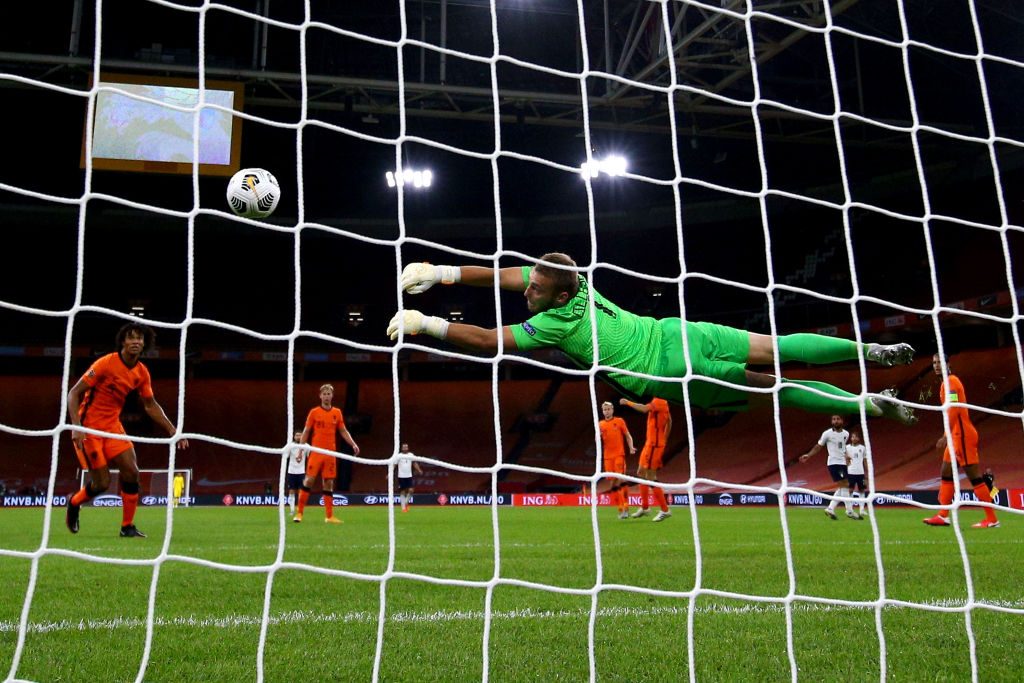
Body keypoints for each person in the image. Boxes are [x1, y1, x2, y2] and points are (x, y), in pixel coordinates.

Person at [387, 254, 919, 423]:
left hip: (667, 372)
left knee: (772, 386)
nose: (526, 292)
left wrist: (426, 325)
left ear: (552, 295)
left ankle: (869, 404)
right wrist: (444, 274)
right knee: (775, 345)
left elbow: (485, 342)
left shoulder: (554, 323)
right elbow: (506, 275)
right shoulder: (574, 280)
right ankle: (868, 352)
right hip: (679, 330)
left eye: (535, 290)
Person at [65, 323, 189, 537]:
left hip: (113, 426)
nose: (136, 342)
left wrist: (173, 430)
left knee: (132, 472)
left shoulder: (141, 372)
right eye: (131, 338)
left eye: (140, 339)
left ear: (144, 344)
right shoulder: (105, 363)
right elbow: (73, 393)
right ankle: (74, 503)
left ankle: (127, 527)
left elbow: (150, 405)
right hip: (89, 428)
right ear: (123, 341)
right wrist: (76, 427)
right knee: (102, 483)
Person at [923, 354, 999, 528]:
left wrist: (945, 434)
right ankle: (943, 515)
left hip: (962, 436)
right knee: (946, 471)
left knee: (974, 478)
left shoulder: (952, 382)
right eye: (934, 363)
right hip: (955, 436)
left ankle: (992, 519)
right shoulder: (945, 383)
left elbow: (955, 410)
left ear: (948, 364)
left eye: (939, 362)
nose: (936, 366)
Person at [293, 384, 360, 524]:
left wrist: (353, 444)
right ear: (320, 396)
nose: (326, 396)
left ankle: (329, 516)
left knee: (328, 483)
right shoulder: (314, 412)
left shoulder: (337, 412)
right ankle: (299, 513)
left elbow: (343, 431)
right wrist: (300, 450)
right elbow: (306, 431)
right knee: (308, 481)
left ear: (332, 395)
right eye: (324, 394)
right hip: (316, 452)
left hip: (330, 453)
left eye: (329, 393)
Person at [619, 397, 672, 522]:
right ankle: (645, 507)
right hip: (651, 443)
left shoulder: (658, 401)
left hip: (654, 445)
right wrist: (665, 437)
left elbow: (643, 409)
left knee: (651, 476)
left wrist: (628, 402)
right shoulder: (664, 402)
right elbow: (669, 420)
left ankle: (665, 510)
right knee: (640, 473)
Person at [798, 415, 853, 520]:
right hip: (834, 463)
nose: (835, 421)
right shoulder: (827, 433)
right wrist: (808, 455)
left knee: (843, 486)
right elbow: (818, 446)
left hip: (842, 463)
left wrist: (846, 455)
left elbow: (842, 447)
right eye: (834, 419)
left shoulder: (846, 434)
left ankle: (830, 508)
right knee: (845, 484)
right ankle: (849, 510)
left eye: (838, 419)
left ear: (842, 420)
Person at [598, 401, 636, 519]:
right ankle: (620, 508)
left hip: (619, 455)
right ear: (602, 411)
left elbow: (627, 435)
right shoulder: (600, 424)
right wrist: (597, 436)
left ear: (612, 410)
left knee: (620, 480)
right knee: (612, 482)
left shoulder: (619, 421)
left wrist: (631, 447)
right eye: (605, 410)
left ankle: (626, 508)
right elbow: (597, 441)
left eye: (608, 409)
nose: (607, 411)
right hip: (607, 457)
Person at [844, 429, 868, 519]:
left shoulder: (862, 448)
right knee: (850, 490)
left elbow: (865, 460)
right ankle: (850, 509)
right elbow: (845, 459)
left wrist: (867, 471)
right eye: (852, 437)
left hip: (860, 472)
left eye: (855, 437)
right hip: (851, 472)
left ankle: (861, 509)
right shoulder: (847, 447)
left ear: (858, 438)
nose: (853, 438)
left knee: (862, 490)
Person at [395, 443, 424, 512]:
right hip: (401, 476)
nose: (405, 448)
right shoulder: (398, 456)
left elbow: (414, 463)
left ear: (408, 448)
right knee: (402, 491)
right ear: (401, 448)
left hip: (409, 475)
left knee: (411, 490)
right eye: (404, 447)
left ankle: (406, 503)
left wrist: (419, 470)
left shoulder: (411, 455)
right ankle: (403, 508)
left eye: (406, 447)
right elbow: (394, 465)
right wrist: (389, 473)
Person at [285, 431, 308, 515]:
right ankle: (292, 510)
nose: (298, 437)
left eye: (300, 435)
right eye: (297, 435)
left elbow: (311, 456)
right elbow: (285, 456)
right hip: (291, 471)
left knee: (301, 491)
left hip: (301, 472)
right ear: (294, 437)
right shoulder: (290, 446)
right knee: (291, 490)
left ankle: (300, 509)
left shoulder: (306, 446)